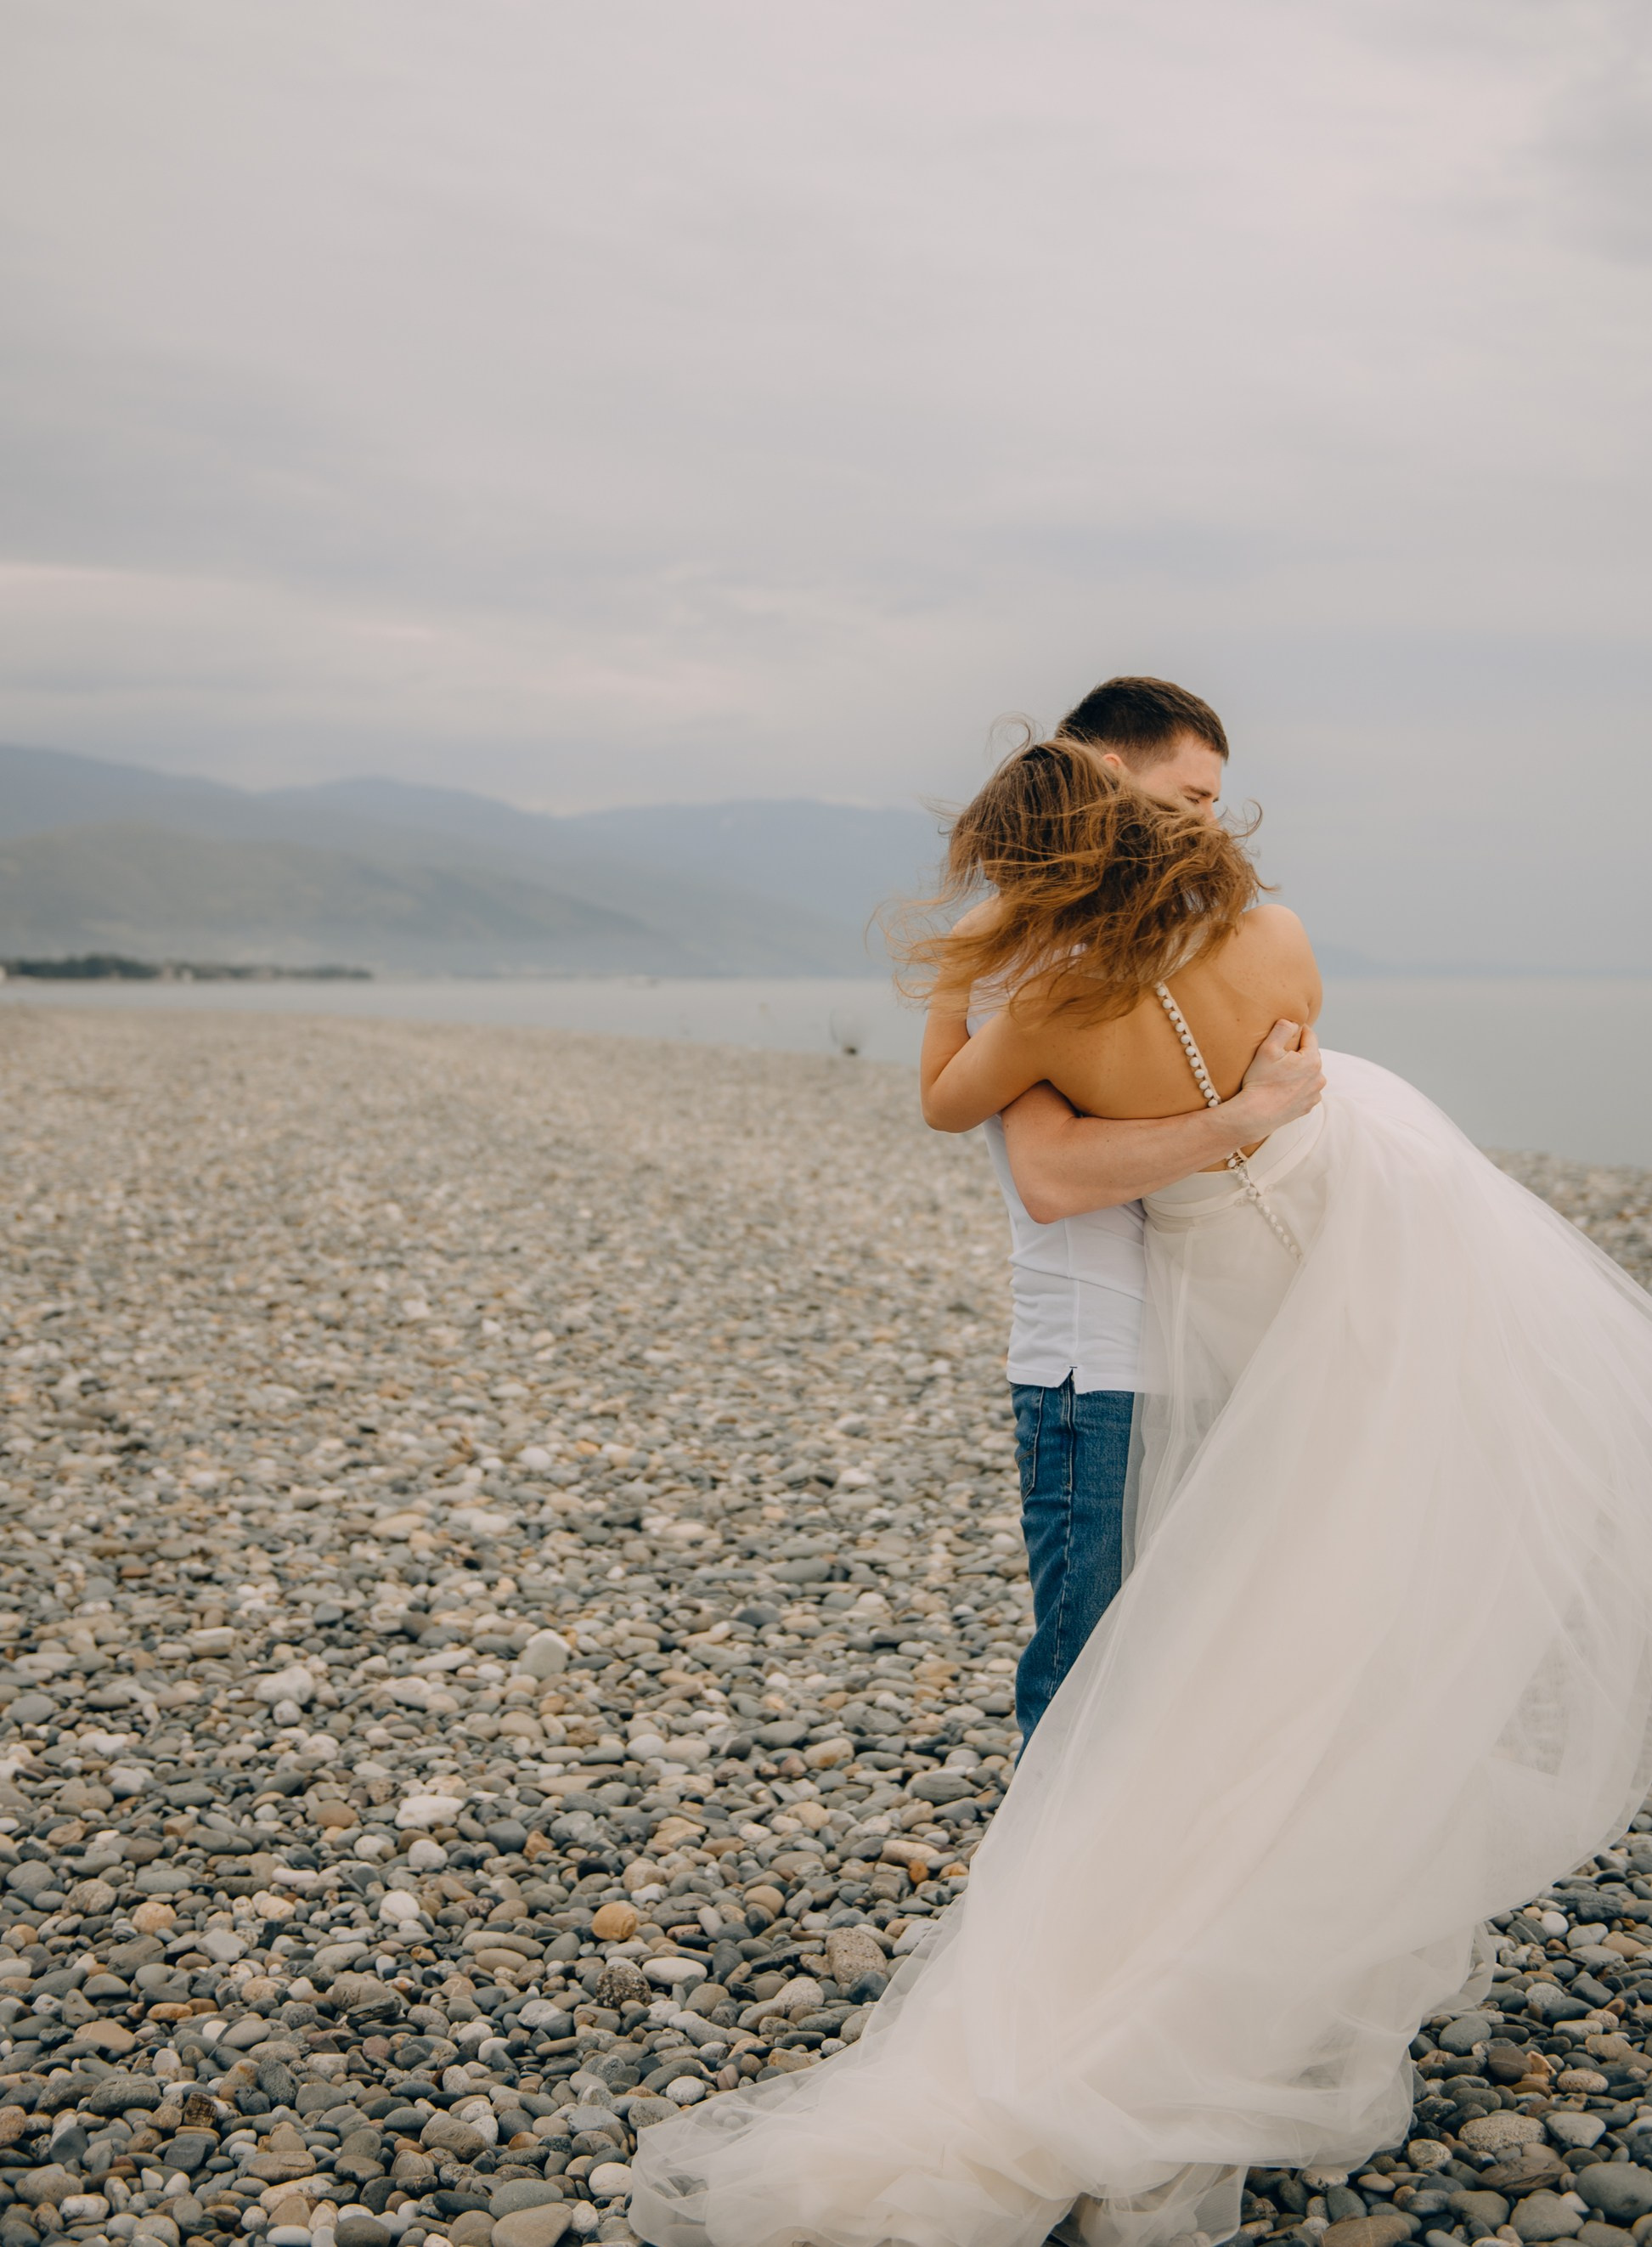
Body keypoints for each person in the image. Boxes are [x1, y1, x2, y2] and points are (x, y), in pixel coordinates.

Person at [630, 736, 1652, 2247]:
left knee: (1166, 1662)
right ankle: (1276, 1936)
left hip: (1205, 1299)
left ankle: (1102, 1961)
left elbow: (951, 1107)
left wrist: (965, 962)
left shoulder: (1047, 1004)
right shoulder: (1277, 935)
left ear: (1024, 871)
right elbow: (1285, 1075)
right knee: (1302, 1623)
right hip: (1353, 1280)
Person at [927, 677, 1325, 1743]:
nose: (1210, 824)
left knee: (1158, 1663)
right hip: (1103, 1356)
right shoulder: (1038, 960)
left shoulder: (1150, 949)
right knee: (1096, 1665)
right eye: (1192, 798)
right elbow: (1051, 1177)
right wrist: (1243, 1114)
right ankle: (1070, 1854)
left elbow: (951, 1104)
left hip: (1192, 1352)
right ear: (1108, 777)